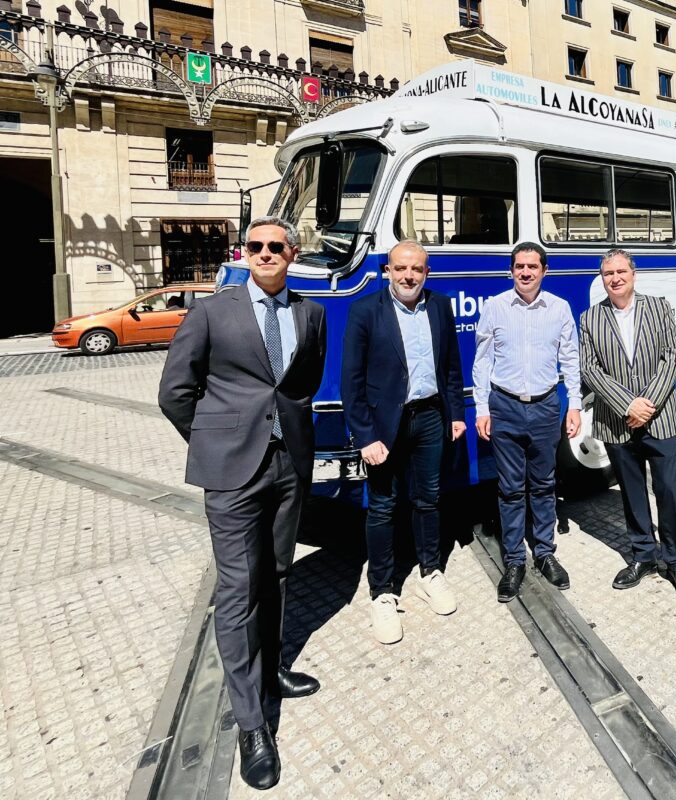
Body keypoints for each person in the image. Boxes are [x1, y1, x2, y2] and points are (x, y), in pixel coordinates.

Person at [158, 215, 327, 790]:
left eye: (275, 246)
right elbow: (174, 392)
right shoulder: (212, 311)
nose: (264, 253)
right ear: (244, 252)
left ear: (292, 253)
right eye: (254, 245)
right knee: (236, 592)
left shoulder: (312, 314)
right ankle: (253, 723)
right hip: (231, 474)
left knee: (277, 575)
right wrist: (215, 441)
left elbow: (301, 386)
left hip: (287, 468)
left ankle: (273, 669)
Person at [341, 240, 466, 644]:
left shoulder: (440, 306)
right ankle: (382, 592)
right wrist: (365, 436)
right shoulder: (365, 311)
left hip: (430, 417)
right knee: (382, 507)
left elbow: (450, 366)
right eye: (401, 269)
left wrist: (458, 416)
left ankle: (430, 572)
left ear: (426, 272)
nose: (409, 276)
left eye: (416, 269)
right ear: (388, 271)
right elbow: (351, 382)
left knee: (428, 498)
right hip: (385, 426)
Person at [578, 248, 676, 605]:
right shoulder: (590, 318)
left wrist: (646, 404)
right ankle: (644, 556)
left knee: (669, 492)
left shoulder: (658, 307)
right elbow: (589, 369)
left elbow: (672, 356)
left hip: (661, 418)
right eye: (608, 273)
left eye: (621, 271)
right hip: (617, 422)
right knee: (632, 493)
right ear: (602, 279)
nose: (614, 278)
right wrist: (626, 404)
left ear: (634, 274)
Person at [473, 242, 581, 603]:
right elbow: (482, 361)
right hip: (504, 407)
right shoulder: (495, 307)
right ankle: (515, 561)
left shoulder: (560, 309)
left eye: (533, 266)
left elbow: (570, 360)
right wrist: (481, 408)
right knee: (509, 487)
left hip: (546, 407)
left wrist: (575, 406)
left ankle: (546, 553)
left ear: (544, 271)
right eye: (519, 266)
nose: (525, 272)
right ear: (511, 270)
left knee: (544, 483)